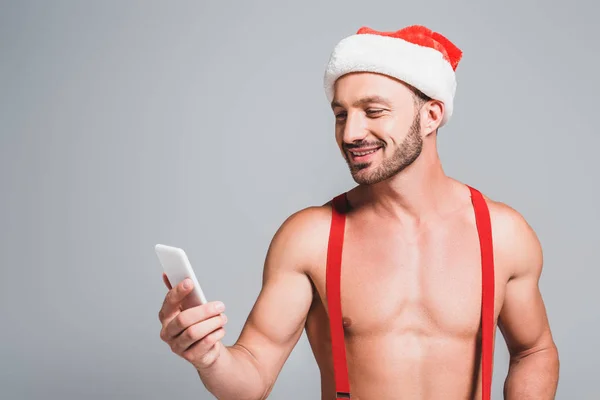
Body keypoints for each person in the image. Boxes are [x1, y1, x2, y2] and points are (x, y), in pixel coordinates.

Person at [157, 25, 560, 399]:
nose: (350, 133)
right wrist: (209, 357)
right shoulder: (309, 238)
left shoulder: (503, 233)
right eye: (341, 114)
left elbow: (534, 350)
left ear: (431, 116)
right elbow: (252, 375)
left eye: (373, 110)